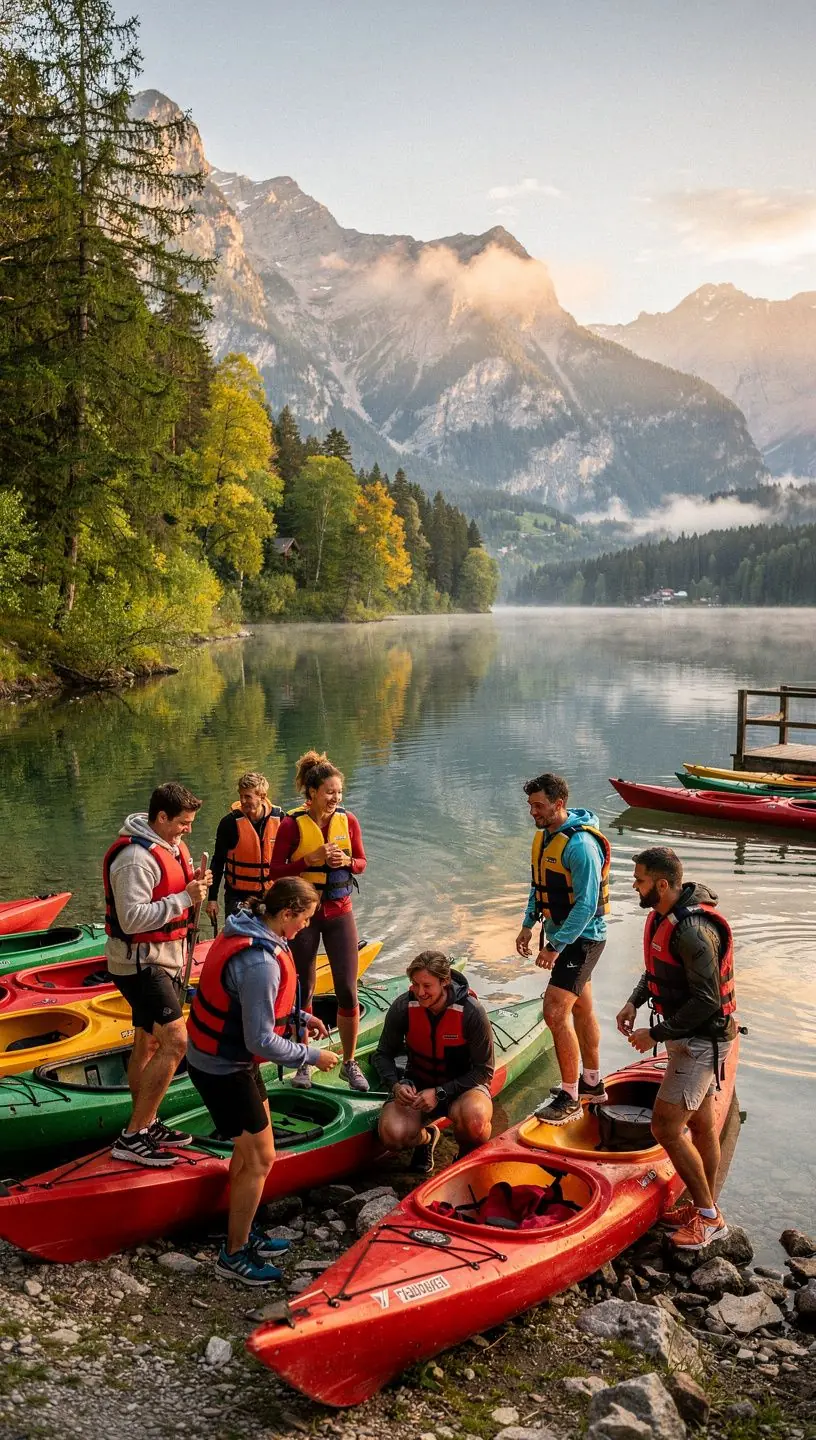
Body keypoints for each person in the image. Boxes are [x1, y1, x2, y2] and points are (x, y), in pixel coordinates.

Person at [186, 876, 340, 1285]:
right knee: (260, 1158)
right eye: (304, 919)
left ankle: (242, 1228)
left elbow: (251, 1009)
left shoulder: (253, 926)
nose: (306, 928)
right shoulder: (259, 961)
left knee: (251, 1152)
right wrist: (312, 1056)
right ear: (287, 913)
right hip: (223, 1067)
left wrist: (299, 1017)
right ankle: (233, 1255)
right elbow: (260, 1039)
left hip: (234, 1060)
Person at [616, 846, 737, 1251]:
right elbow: (655, 971)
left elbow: (708, 1001)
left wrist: (657, 1034)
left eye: (641, 880)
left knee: (665, 1127)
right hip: (687, 1039)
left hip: (703, 1042)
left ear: (663, 884)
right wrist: (634, 1000)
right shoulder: (661, 918)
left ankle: (709, 1219)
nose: (635, 884)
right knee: (701, 1125)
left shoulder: (693, 932)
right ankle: (706, 1204)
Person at [103, 781, 212, 1168]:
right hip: (141, 963)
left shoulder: (168, 845)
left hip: (162, 959)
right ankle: (132, 1136)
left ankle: (145, 1124)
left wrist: (196, 888)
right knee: (176, 1042)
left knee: (147, 1044)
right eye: (183, 822)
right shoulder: (134, 859)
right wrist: (185, 898)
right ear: (161, 817)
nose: (188, 829)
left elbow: (172, 897)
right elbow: (132, 920)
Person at [269, 749, 368, 1092]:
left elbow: (362, 863)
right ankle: (303, 1062)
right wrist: (308, 859)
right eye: (329, 792)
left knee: (347, 989)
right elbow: (275, 871)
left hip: (339, 913)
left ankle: (350, 1062)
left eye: (339, 792)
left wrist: (347, 861)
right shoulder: (290, 824)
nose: (335, 798)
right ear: (311, 793)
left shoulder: (348, 821)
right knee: (303, 987)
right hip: (304, 918)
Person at [515, 772, 611, 1125]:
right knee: (582, 1008)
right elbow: (538, 884)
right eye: (530, 805)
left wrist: (555, 945)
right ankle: (591, 1083)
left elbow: (585, 905)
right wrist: (528, 923)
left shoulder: (581, 846)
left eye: (538, 806)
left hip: (583, 938)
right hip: (564, 936)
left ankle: (570, 1095)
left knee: (555, 1011)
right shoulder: (544, 838)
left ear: (559, 804)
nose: (533, 812)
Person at [373, 951, 495, 1175]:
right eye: (415, 984)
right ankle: (426, 1139)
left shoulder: (471, 1012)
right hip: (418, 1085)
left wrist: (440, 1092)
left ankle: (463, 1160)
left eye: (427, 985)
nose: (420, 992)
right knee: (392, 1135)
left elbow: (484, 1071)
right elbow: (382, 1054)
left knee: (475, 1122)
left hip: (463, 1088)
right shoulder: (403, 1008)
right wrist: (396, 1085)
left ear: (445, 981)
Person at [206, 772, 283, 926]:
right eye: (241, 796)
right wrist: (212, 899)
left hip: (271, 894)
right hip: (238, 895)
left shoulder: (281, 819)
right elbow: (218, 862)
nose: (242, 801)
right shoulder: (229, 823)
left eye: (248, 796)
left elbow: (290, 859)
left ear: (262, 796)